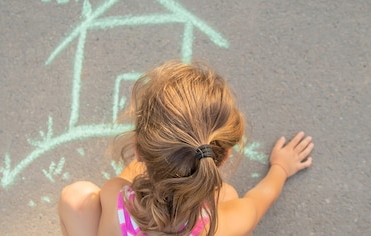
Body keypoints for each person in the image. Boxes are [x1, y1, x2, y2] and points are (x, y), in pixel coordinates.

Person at [58, 61, 314, 236]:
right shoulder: (227, 222)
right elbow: (259, 200)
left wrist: (157, 151)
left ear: (138, 149)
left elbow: (141, 170)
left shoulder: (116, 196)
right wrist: (281, 167)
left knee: (77, 197)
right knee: (226, 195)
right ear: (222, 157)